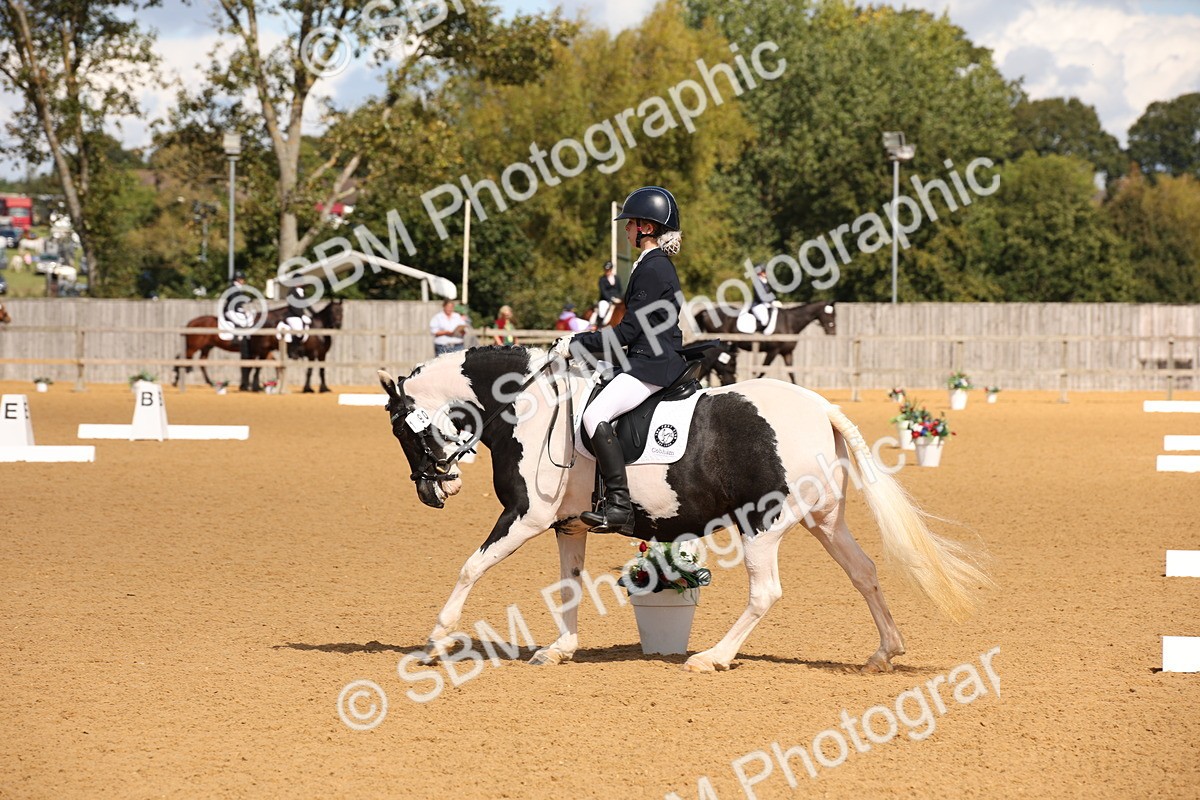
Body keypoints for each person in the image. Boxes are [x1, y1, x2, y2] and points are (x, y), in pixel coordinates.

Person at [554, 186, 687, 535]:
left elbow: (628, 331)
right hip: (647, 357)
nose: (626, 229)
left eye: (630, 224)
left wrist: (576, 343)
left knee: (594, 414)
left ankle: (618, 504)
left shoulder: (653, 268)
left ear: (646, 227)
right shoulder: (653, 265)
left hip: (651, 364)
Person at [221, 271, 256, 391]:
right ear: (238, 279)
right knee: (240, 321)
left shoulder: (238, 288)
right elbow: (233, 301)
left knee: (248, 318)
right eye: (242, 279)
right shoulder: (232, 288)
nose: (243, 281)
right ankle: (237, 337)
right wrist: (240, 306)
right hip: (230, 310)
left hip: (236, 309)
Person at [277, 278, 312, 355]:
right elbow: (293, 307)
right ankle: (293, 349)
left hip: (299, 316)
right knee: (298, 330)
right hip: (292, 316)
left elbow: (307, 305)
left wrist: (314, 313)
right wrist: (302, 315)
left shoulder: (301, 292)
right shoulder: (291, 292)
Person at [749, 263, 778, 329]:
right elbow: (761, 297)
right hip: (758, 305)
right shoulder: (757, 282)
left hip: (764, 304)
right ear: (760, 273)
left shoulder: (764, 282)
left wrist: (773, 300)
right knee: (765, 320)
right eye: (764, 271)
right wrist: (771, 302)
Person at [596, 260, 623, 326]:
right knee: (602, 308)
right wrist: (611, 299)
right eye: (606, 270)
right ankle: (600, 325)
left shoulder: (616, 278)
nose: (607, 271)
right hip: (606, 300)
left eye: (609, 270)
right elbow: (603, 291)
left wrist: (619, 298)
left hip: (617, 299)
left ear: (611, 269)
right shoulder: (602, 279)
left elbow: (620, 289)